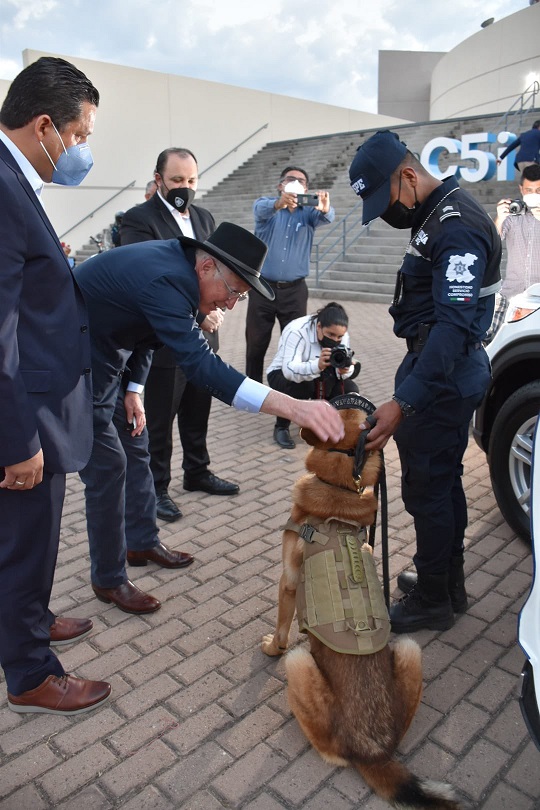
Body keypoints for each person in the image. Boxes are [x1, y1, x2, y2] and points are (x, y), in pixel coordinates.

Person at [74, 222, 344, 616]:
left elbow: (146, 331)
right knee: (108, 468)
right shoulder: (167, 279)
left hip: (114, 363)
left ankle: (141, 540)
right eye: (233, 292)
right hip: (77, 364)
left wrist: (134, 389)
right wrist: (296, 407)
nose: (232, 305)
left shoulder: (179, 273)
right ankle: (109, 577)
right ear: (206, 269)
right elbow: (203, 368)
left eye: (241, 297)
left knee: (137, 447)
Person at [348, 130, 501, 634]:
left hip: (442, 377)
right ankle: (446, 582)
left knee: (427, 490)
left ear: (408, 176)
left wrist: (402, 403)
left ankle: (434, 598)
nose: (386, 213)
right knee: (442, 483)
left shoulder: (455, 227)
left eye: (385, 199)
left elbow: (453, 329)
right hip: (438, 370)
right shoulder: (438, 215)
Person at [0, 56, 111, 715]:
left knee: (28, 542)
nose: (82, 148)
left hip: (38, 399)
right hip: (26, 412)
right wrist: (15, 440)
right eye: (82, 134)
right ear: (46, 126)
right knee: (24, 540)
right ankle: (31, 673)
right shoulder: (4, 190)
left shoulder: (15, 182)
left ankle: (28, 623)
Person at [121, 148, 238, 526]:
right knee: (158, 420)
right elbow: (147, 284)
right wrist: (200, 312)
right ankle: (156, 488)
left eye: (190, 181)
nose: (183, 188)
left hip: (205, 340)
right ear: (158, 179)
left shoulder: (204, 217)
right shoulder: (138, 220)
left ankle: (198, 471)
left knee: (197, 410)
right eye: (176, 181)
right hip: (164, 342)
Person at [245, 166, 334, 384]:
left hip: (294, 290)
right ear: (281, 185)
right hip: (263, 287)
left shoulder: (309, 213)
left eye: (301, 181)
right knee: (256, 342)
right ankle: (252, 388)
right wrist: (279, 203)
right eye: (290, 179)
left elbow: (328, 216)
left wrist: (324, 208)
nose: (296, 183)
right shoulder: (268, 208)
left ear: (306, 187)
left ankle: (290, 388)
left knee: (295, 342)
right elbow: (260, 209)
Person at [267, 302, 360, 448]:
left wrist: (345, 370)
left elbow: (345, 364)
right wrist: (317, 366)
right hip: (282, 374)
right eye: (330, 334)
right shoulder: (297, 330)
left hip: (320, 373)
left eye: (339, 337)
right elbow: (289, 370)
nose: (335, 340)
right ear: (319, 326)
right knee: (303, 387)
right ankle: (281, 427)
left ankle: (328, 425)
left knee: (349, 389)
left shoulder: (342, 334)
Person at [486, 163, 540, 339]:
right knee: (491, 342)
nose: (533, 195)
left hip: (538, 299)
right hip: (510, 295)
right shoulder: (513, 215)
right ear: (521, 190)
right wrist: (500, 218)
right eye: (529, 190)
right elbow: (491, 244)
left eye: (538, 191)